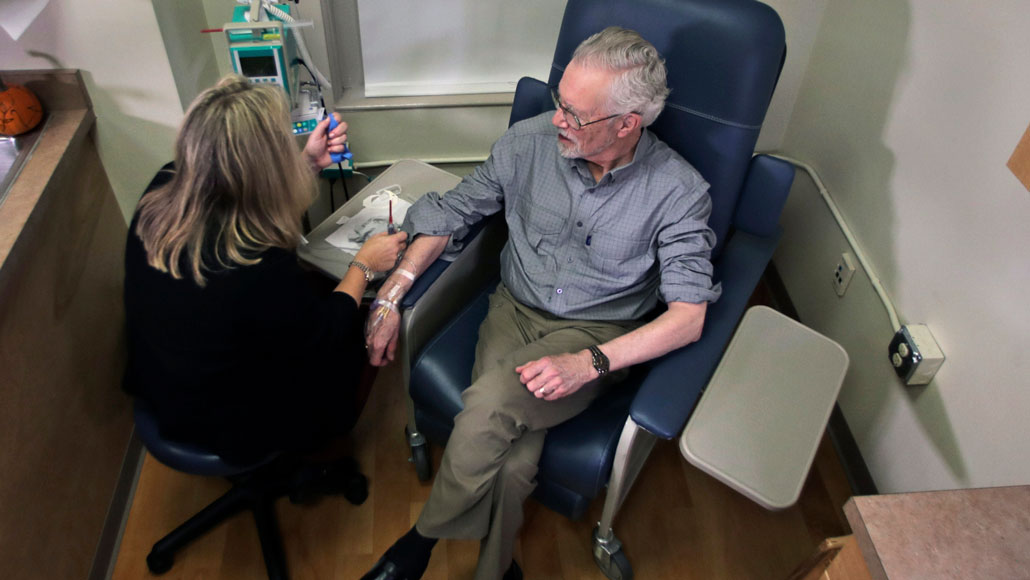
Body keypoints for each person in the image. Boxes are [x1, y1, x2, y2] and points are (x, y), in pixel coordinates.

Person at [361, 27, 721, 580]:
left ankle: (417, 545)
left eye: (576, 115)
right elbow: (451, 212)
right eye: (560, 102)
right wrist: (390, 293)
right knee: (512, 464)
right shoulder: (528, 142)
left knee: (486, 407)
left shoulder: (678, 191)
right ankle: (497, 570)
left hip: (595, 333)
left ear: (628, 124)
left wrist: (590, 364)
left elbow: (688, 317)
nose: (558, 120)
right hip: (514, 309)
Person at [123, 75, 408, 473]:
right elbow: (326, 333)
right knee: (359, 323)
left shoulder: (165, 186)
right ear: (264, 167)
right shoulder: (251, 269)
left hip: (164, 390)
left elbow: (243, 199)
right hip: (231, 425)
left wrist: (306, 163)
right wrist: (364, 263)